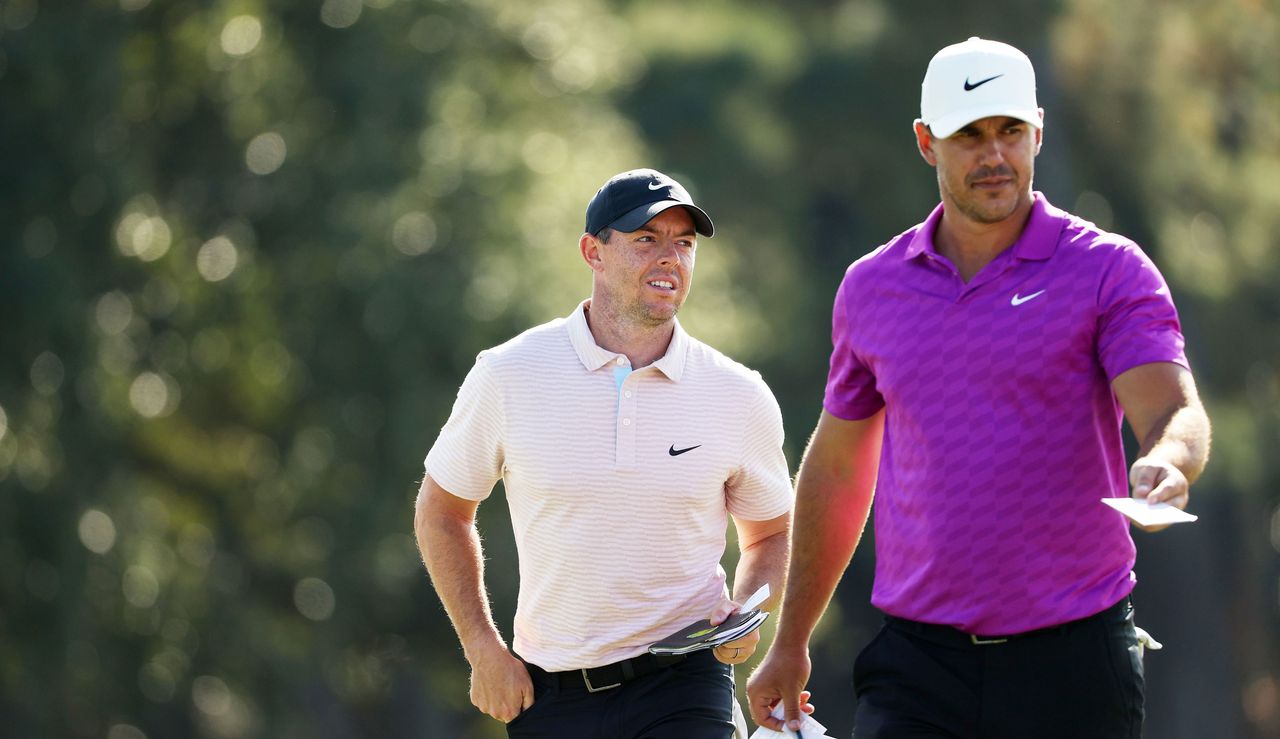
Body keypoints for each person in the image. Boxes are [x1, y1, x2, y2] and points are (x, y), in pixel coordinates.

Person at [746, 37, 1211, 739]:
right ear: (926, 142)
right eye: (970, 135)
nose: (995, 155)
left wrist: (1168, 460)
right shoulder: (873, 286)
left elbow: (1173, 407)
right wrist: (791, 639)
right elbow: (840, 468)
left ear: (1038, 132)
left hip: (1074, 658)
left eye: (1010, 132)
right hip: (918, 664)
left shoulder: (1107, 270)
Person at [415, 168, 795, 738]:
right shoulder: (509, 374)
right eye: (647, 239)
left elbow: (771, 533)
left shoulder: (737, 394)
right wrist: (482, 648)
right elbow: (442, 512)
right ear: (593, 251)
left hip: (685, 683)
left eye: (684, 244)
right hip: (553, 693)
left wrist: (745, 612)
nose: (670, 258)